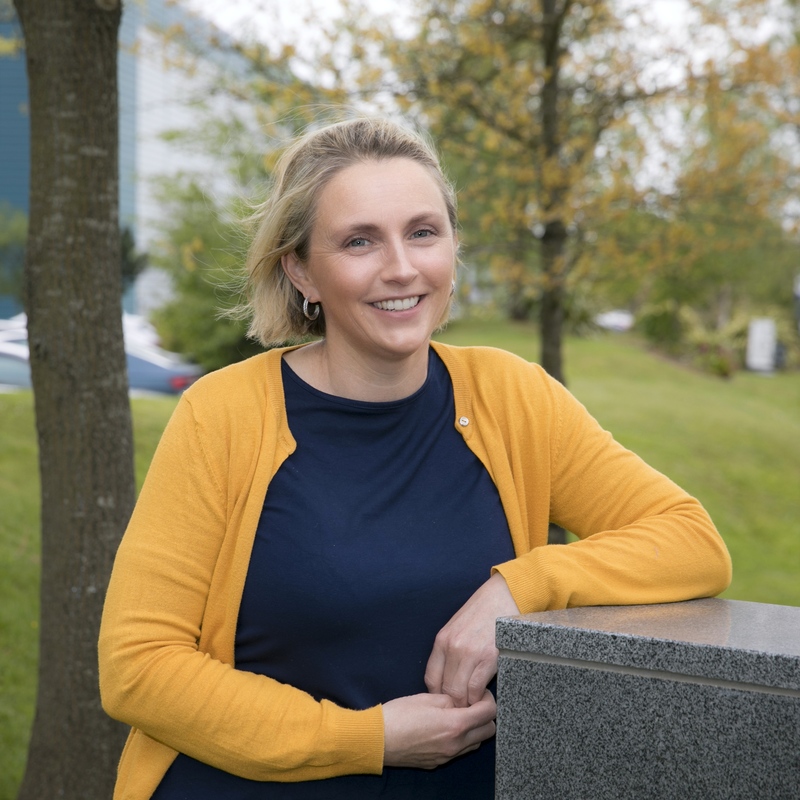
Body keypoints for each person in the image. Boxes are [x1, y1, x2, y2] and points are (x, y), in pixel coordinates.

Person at [98, 116, 732, 799]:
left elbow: (691, 541)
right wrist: (368, 739)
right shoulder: (222, 415)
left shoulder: (512, 397)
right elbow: (139, 666)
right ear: (301, 270)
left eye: (423, 232)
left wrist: (518, 588)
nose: (401, 267)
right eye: (359, 241)